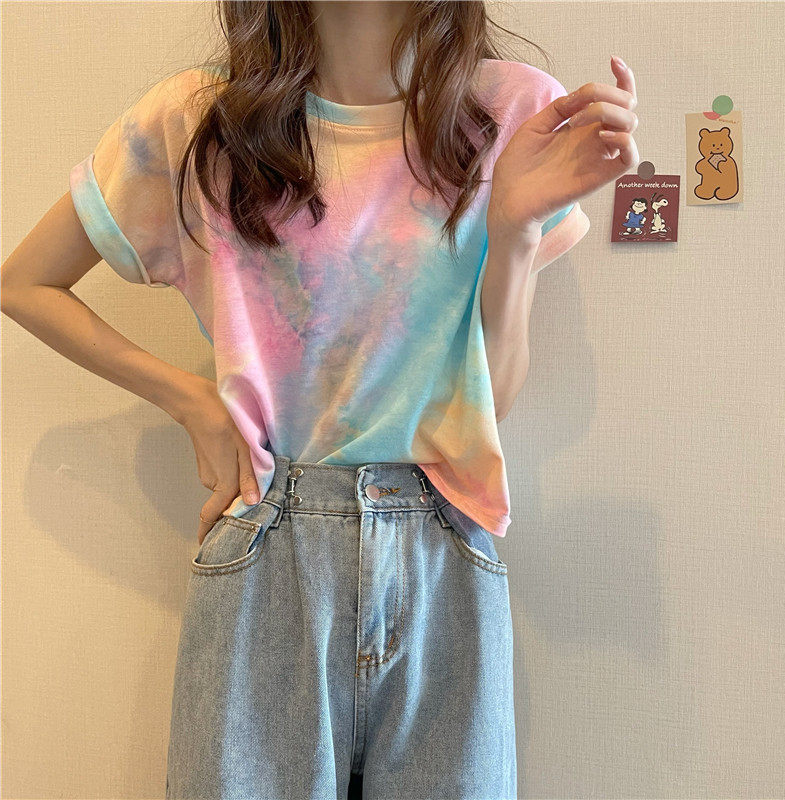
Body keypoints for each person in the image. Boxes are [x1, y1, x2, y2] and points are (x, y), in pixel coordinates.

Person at [1, 2, 638, 798]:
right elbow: (24, 284)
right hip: (268, 546)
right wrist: (191, 401)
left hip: (443, 548)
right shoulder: (200, 124)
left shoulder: (510, 113)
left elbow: (492, 400)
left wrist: (513, 230)